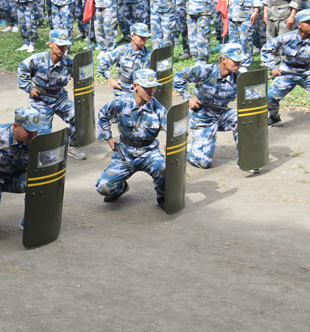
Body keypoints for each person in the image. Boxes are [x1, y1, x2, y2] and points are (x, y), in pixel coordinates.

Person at [95, 69, 167, 209]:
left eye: (153, 87)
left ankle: (163, 197)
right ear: (135, 86)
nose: (151, 91)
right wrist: (108, 138)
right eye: (146, 87)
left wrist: (170, 143)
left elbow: (173, 126)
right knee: (103, 187)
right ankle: (120, 188)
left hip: (149, 152)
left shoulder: (158, 108)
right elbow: (103, 114)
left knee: (163, 168)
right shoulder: (122, 103)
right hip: (125, 152)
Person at [261, 9, 310, 132]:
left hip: (308, 73)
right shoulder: (287, 38)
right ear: (299, 25)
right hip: (288, 72)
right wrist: (273, 67)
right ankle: (274, 118)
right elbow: (266, 50)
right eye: (308, 23)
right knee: (270, 96)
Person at [17, 28, 87, 160]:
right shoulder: (38, 59)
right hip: (41, 100)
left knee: (78, 115)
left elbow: (81, 76)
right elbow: (22, 68)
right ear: (51, 44)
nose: (62, 49)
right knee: (44, 135)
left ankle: (72, 145)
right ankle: (41, 154)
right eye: (59, 45)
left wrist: (79, 86)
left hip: (60, 98)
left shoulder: (69, 62)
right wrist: (29, 88)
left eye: (65, 45)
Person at [173, 43, 244, 169]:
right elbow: (178, 77)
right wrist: (188, 98)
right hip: (203, 117)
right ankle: (187, 147)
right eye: (235, 61)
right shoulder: (206, 71)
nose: (238, 64)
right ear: (224, 59)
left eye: (240, 61)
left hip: (222, 114)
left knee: (243, 117)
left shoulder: (239, 77)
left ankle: (246, 157)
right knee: (203, 162)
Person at [98, 23, 153, 98]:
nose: (144, 40)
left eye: (145, 37)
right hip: (123, 89)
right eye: (141, 37)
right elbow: (102, 63)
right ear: (132, 36)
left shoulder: (149, 54)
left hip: (140, 91)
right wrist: (111, 80)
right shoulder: (122, 51)